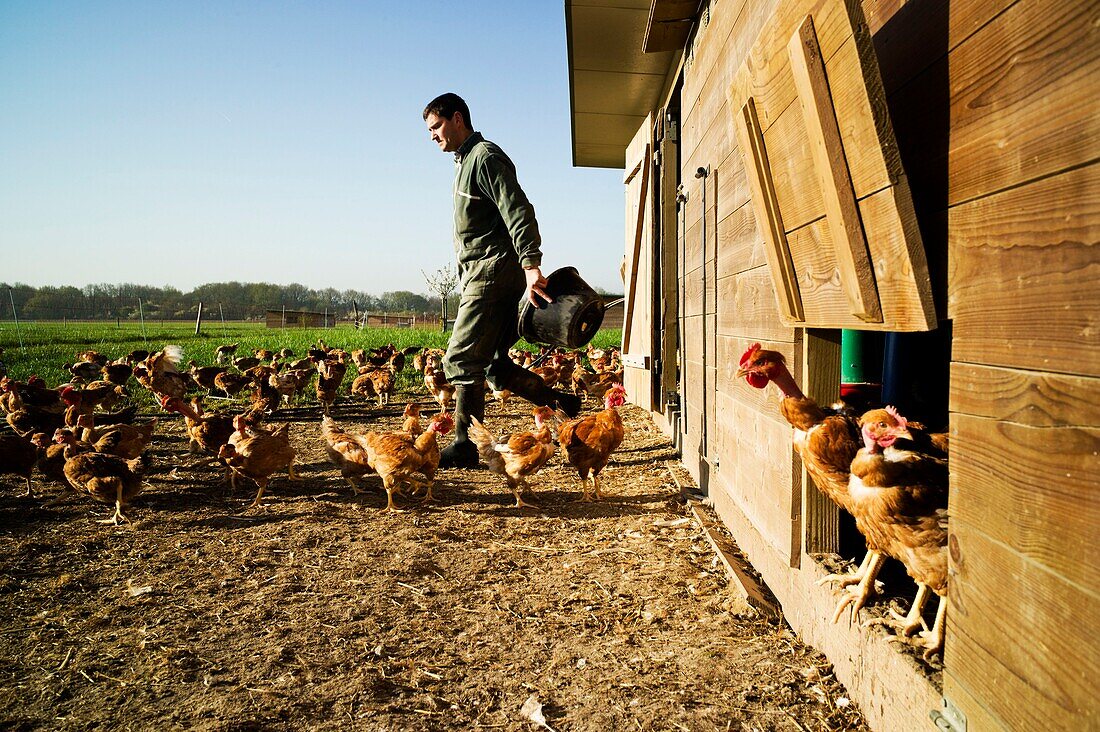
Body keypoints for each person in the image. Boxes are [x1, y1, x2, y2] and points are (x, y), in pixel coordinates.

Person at [423, 92, 581, 468]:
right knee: (493, 363)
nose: (432, 136)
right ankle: (564, 403)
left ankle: (464, 445)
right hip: (483, 272)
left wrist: (531, 265)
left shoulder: (485, 158)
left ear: (457, 118)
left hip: (492, 273)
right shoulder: (465, 163)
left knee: (460, 357)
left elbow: (518, 209)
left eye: (436, 127)